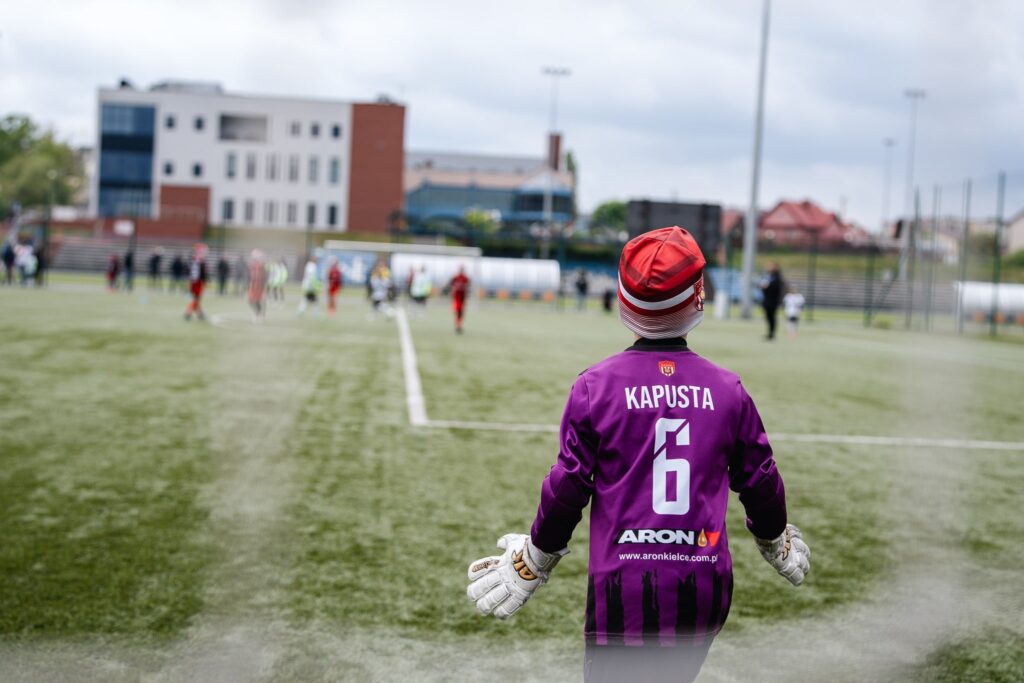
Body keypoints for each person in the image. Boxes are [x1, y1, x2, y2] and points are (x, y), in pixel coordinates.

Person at [466, 226, 810, 683]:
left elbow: (569, 487)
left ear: (623, 302)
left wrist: (535, 557)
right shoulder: (729, 389)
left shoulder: (595, 386)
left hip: (623, 589)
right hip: (703, 588)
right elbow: (761, 479)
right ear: (697, 298)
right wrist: (773, 538)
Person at [183, 243, 208, 321]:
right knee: (196, 299)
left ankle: (199, 314)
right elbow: (201, 274)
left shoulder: (194, 260)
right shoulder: (198, 261)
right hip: (197, 283)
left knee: (196, 299)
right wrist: (204, 282)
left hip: (194, 282)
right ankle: (188, 312)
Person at [760, 261, 783, 340]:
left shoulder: (777, 277)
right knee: (768, 317)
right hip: (767, 300)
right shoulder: (767, 276)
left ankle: (772, 333)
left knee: (772, 317)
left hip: (773, 300)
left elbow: (775, 287)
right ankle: (769, 333)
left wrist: (767, 287)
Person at [448, 266, 470, 334]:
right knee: (457, 312)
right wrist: (452, 292)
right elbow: (451, 285)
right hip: (456, 298)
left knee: (461, 313)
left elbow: (467, 287)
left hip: (462, 298)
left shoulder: (465, 278)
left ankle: (459, 325)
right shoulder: (455, 277)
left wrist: (466, 296)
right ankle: (458, 325)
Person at [247, 249, 268, 323]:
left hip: (260, 287)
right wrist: (248, 285)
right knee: (250, 301)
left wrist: (264, 286)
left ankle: (260, 315)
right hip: (253, 286)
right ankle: (257, 313)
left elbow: (265, 276)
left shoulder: (262, 265)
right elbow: (249, 276)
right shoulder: (251, 265)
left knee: (260, 301)